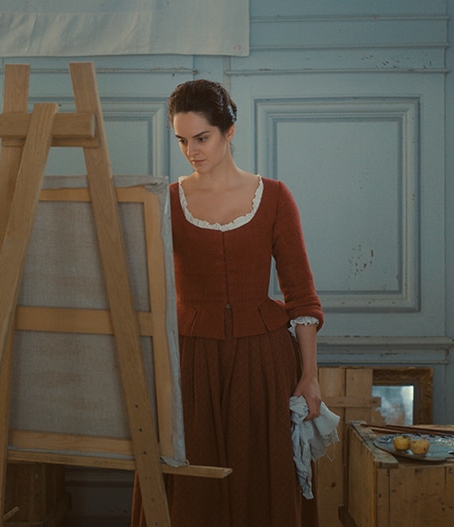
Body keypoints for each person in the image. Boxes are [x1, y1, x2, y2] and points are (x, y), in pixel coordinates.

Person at [131, 79, 324, 527]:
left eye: (202, 138)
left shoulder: (275, 197)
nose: (191, 151)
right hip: (189, 363)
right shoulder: (167, 200)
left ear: (228, 131)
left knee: (261, 484)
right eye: (181, 140)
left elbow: (300, 295)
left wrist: (310, 377)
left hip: (263, 363)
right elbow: (147, 291)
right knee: (192, 490)